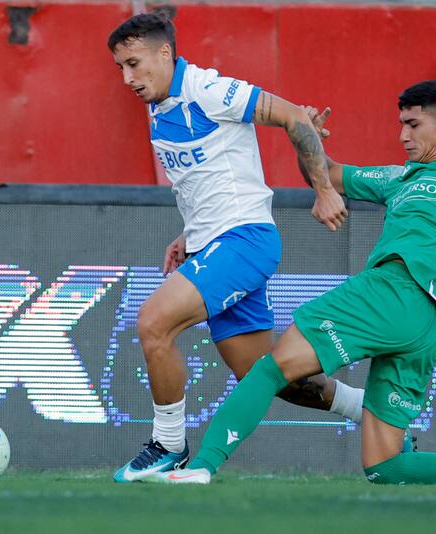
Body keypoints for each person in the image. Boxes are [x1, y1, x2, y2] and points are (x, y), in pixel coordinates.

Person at [155, 80, 436, 487]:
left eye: (413, 125)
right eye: (401, 125)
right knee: (385, 466)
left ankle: (201, 467)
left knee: (269, 369)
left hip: (393, 292)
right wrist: (310, 141)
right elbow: (329, 174)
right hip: (423, 325)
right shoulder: (400, 177)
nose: (402, 135)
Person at [108, 12, 372, 483]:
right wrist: (190, 235)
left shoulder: (209, 90)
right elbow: (209, 176)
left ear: (165, 54)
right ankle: (372, 412)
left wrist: (324, 188)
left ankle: (168, 444)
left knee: (153, 323)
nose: (128, 78)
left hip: (243, 243)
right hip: (217, 242)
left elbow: (292, 115)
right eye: (120, 68)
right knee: (268, 376)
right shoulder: (159, 102)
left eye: (134, 63)